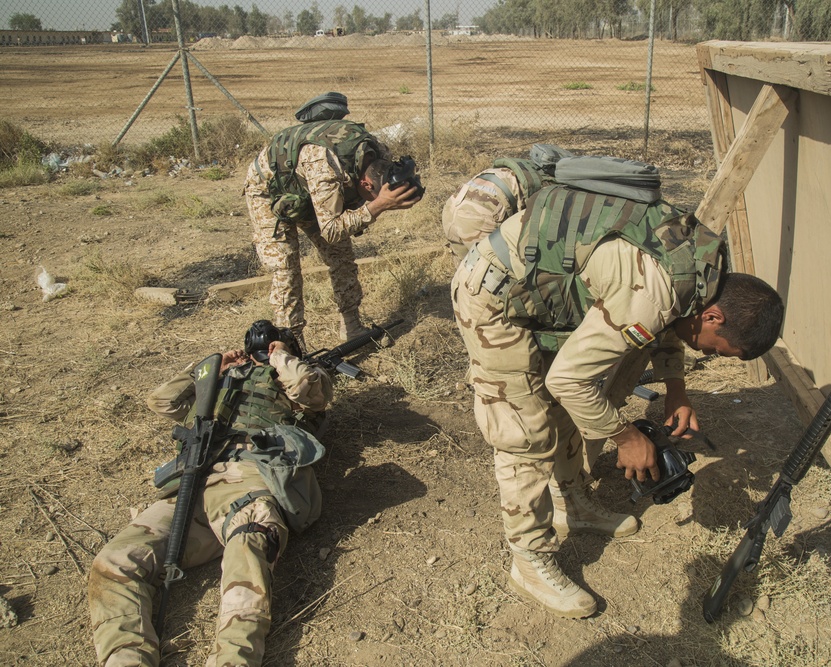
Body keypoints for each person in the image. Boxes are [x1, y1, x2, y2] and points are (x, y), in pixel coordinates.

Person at [451, 178, 784, 619]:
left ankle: (571, 503)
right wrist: (625, 436)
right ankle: (529, 559)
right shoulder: (655, 294)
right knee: (525, 433)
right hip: (491, 298)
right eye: (709, 347)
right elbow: (572, 379)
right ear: (714, 315)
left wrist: (676, 389)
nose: (701, 350)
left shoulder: (706, 264)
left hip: (535, 291)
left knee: (565, 413)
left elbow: (673, 314)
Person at [88, 321, 334, 666]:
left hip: (251, 477)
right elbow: (161, 401)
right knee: (113, 561)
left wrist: (282, 359)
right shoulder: (214, 385)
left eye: (277, 346)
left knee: (250, 547)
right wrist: (204, 371)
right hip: (191, 482)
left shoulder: (296, 378)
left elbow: (311, 391)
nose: (264, 353)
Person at [244, 92, 422, 350]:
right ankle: (292, 347)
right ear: (364, 183)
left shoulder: (378, 151)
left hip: (310, 189)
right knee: (286, 267)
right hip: (269, 190)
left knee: (342, 257)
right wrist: (377, 206)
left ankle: (351, 327)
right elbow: (330, 229)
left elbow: (339, 227)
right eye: (371, 194)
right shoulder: (325, 167)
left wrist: (388, 196)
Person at [441, 144, 573, 265]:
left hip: (452, 205)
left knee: (464, 270)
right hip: (480, 215)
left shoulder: (524, 168)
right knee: (496, 273)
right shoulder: (551, 186)